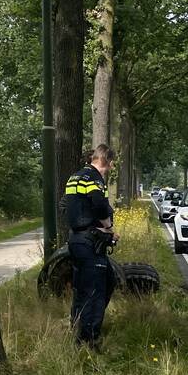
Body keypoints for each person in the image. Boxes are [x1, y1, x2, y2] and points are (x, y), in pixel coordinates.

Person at [64, 144, 118, 351]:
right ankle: (88, 341)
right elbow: (99, 205)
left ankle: (77, 326)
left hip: (76, 239)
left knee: (87, 286)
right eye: (111, 164)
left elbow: (64, 205)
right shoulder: (95, 178)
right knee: (95, 291)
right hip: (90, 242)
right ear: (106, 160)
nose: (111, 168)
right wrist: (108, 228)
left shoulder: (74, 177)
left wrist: (81, 221)